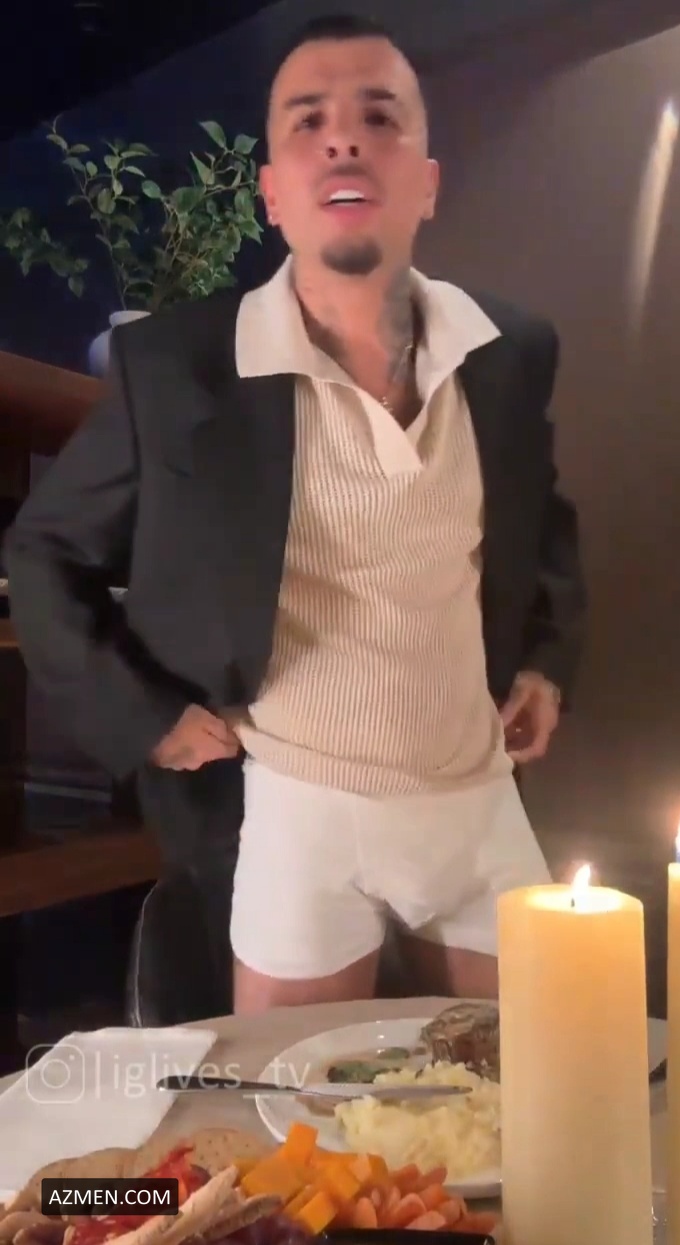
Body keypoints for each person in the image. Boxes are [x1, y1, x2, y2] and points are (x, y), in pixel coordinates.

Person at [4, 12, 586, 1014]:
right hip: (294, 804)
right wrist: (146, 718)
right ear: (273, 194)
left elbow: (547, 517)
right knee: (295, 1100)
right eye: (309, 121)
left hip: (478, 794)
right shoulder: (175, 365)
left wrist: (545, 658)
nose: (344, 139)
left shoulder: (511, 352)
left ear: (428, 183)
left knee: (538, 1077)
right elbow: (47, 551)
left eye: (379, 117)